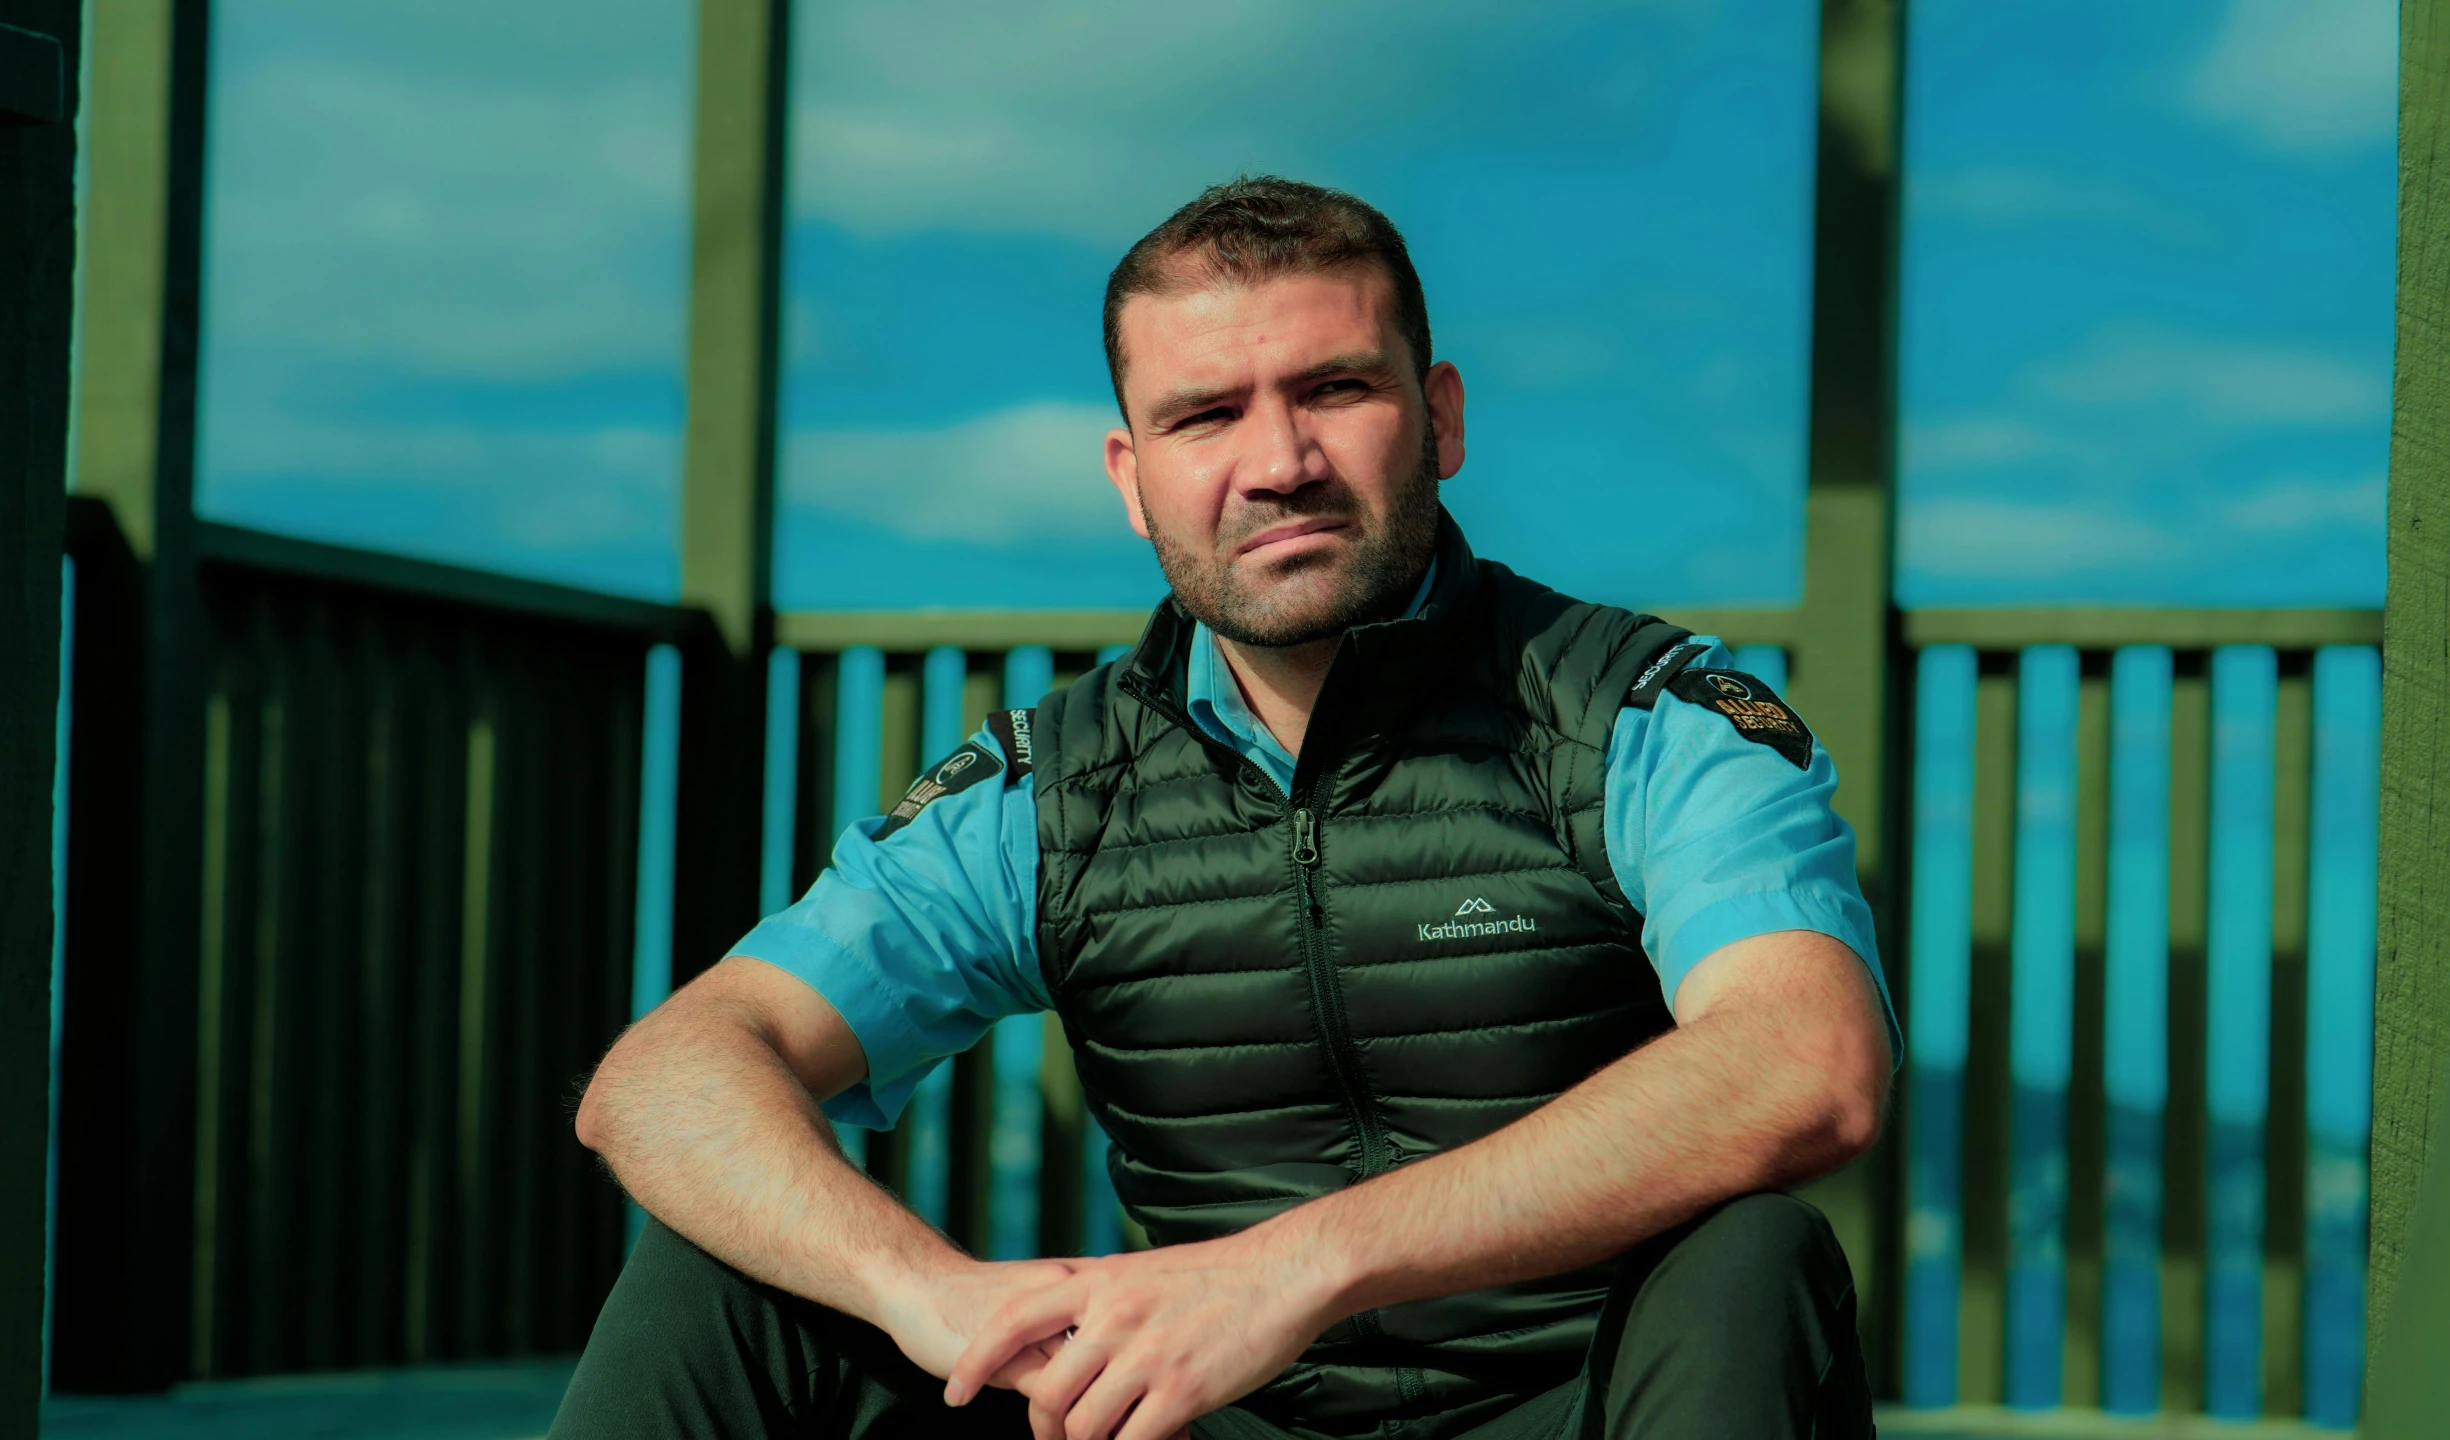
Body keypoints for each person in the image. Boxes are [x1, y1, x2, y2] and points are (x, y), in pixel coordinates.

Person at [554, 176, 1898, 1440]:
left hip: (1590, 1405)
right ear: (1130, 479)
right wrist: (928, 1295)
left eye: (1334, 389)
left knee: (1753, 1256)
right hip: (1207, 1417)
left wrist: (1297, 1268)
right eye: (1204, 416)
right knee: (729, 1277)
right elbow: (663, 1082)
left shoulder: (1638, 717)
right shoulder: (1056, 790)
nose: (1278, 461)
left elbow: (1804, 1062)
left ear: (1440, 417)